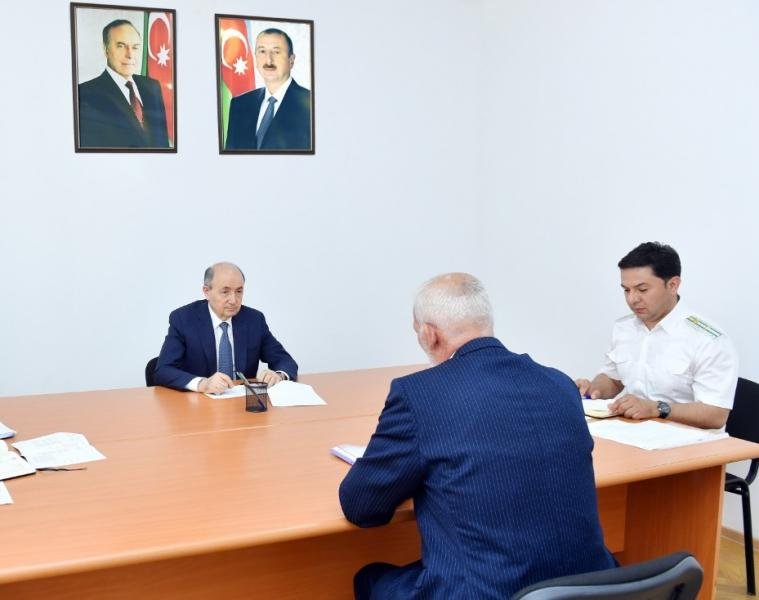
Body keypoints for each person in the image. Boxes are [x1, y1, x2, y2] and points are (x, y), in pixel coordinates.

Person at [339, 273, 615, 599]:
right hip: (589, 587)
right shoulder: (560, 383)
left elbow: (362, 506)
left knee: (370, 578)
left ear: (429, 334)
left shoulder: (418, 395)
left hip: (486, 592)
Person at [576, 242, 738, 429]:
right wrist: (593, 391)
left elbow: (715, 415)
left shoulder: (708, 339)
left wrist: (657, 408)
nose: (632, 299)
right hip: (632, 431)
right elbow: (613, 379)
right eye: (626, 290)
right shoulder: (623, 327)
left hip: (689, 440)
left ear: (673, 285)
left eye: (642, 289)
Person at [154, 262, 297, 393]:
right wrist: (202, 384)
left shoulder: (254, 320)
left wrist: (278, 375)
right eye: (225, 292)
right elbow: (163, 370)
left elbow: (285, 361)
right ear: (206, 291)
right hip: (199, 403)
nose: (233, 300)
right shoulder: (183, 319)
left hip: (241, 403)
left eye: (239, 291)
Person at [78, 19, 169, 149]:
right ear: (106, 49)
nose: (130, 54)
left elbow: (163, 142)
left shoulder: (152, 86)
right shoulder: (85, 93)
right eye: (121, 46)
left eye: (135, 47)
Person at [225, 28, 312, 151]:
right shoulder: (239, 105)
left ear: (291, 60)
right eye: (262, 51)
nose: (268, 60)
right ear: (255, 58)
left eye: (276, 52)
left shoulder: (311, 104)